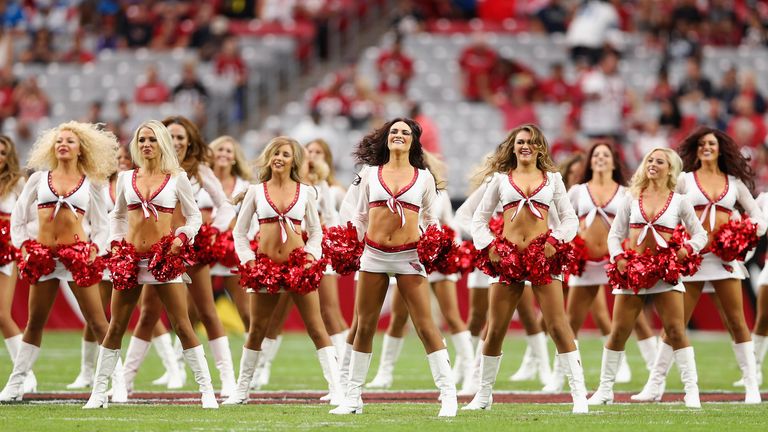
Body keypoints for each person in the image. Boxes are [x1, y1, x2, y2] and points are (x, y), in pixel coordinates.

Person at [83, 120, 218, 409]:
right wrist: (117, 242)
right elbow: (117, 216)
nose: (146, 144)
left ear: (162, 144)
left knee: (182, 325)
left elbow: (193, 217)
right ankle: (98, 393)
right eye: (142, 139)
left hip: (164, 260)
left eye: (153, 140)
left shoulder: (177, 178)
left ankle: (206, 391)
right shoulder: (125, 178)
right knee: (116, 326)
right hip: (131, 260)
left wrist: (182, 237)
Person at [332, 118, 457, 417]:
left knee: (426, 325)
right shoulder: (370, 173)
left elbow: (430, 218)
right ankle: (353, 397)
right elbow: (352, 212)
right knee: (364, 325)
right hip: (374, 255)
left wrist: (433, 242)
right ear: (386, 138)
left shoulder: (424, 177)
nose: (398, 135)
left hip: (409, 255)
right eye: (393, 131)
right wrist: (352, 242)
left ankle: (448, 395)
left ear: (413, 141)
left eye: (404, 132)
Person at [633, 128, 766, 404]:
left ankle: (751, 386)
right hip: (691, 259)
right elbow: (665, 205)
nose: (707, 147)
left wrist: (747, 233)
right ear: (696, 149)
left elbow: (757, 215)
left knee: (737, 322)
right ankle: (654, 385)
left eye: (712, 144)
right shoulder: (684, 180)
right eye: (702, 144)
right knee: (674, 324)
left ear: (721, 149)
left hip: (723, 259)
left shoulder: (734, 182)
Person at [464, 124, 587, 414]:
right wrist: (489, 245)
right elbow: (478, 219)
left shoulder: (553, 179)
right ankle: (483, 396)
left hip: (542, 257)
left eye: (531, 142)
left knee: (558, 325)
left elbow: (570, 220)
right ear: (513, 146)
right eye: (520, 142)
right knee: (495, 329)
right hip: (508, 258)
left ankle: (579, 395)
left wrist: (555, 241)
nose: (525, 146)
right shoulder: (500, 179)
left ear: (540, 147)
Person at [0, 122, 118, 402]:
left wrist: (95, 250)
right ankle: (16, 385)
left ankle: (116, 382)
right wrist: (24, 248)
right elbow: (18, 218)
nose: (63, 144)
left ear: (81, 149)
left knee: (99, 322)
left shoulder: (92, 183)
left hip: (76, 258)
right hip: (44, 258)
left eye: (70, 141)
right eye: (59, 141)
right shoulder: (38, 179)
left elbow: (103, 226)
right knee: (34, 323)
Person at [121, 116, 237, 397]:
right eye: (170, 137)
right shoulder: (148, 171)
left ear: (190, 142)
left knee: (206, 312)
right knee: (148, 314)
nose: (175, 142)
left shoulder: (198, 171)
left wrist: (210, 233)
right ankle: (125, 381)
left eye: (180, 138)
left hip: (189, 250)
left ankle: (227, 381)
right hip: (157, 253)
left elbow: (225, 207)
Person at [222, 136, 342, 406]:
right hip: (266, 268)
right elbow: (240, 233)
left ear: (294, 161)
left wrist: (311, 257)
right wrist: (249, 262)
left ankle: (337, 389)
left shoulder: (306, 192)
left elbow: (315, 232)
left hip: (298, 267)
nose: (279, 158)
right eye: (275, 153)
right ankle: (242, 390)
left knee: (316, 327)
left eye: (285, 154)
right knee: (257, 329)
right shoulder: (256, 191)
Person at [588, 147, 707, 409]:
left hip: (666, 272)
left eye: (659, 161)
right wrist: (618, 256)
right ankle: (605, 389)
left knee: (675, 330)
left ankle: (691, 390)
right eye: (650, 160)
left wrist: (686, 250)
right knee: (619, 331)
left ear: (670, 169)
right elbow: (614, 234)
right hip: (633, 271)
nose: (653, 164)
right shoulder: (632, 198)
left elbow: (701, 235)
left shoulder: (679, 201)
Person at [365, 152, 474, 391]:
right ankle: (385, 372)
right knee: (398, 318)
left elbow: (448, 223)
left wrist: (442, 250)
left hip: (434, 259)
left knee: (451, 317)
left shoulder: (436, 190)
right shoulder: (396, 184)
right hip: (409, 257)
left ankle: (469, 373)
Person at [565, 142, 659, 382]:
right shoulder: (577, 191)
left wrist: (628, 252)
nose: (600, 158)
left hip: (615, 262)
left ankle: (655, 369)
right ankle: (561, 374)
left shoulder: (626, 193)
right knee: (571, 321)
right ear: (590, 161)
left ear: (614, 162)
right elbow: (562, 220)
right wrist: (575, 238)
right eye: (596, 155)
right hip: (585, 262)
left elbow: (634, 225)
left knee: (635, 318)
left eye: (606, 155)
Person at [66, 143, 133, 390]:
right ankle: (87, 372)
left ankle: (123, 377)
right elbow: (92, 220)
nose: (121, 161)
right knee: (96, 316)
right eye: (116, 157)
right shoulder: (98, 184)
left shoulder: (134, 182)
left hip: (130, 256)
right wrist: (95, 247)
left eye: (125, 157)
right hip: (104, 255)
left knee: (143, 315)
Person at [0, 135, 36, 395]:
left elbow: (30, 218)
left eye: (2, 153)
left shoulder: (18, 183)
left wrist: (22, 245)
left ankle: (26, 375)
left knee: (2, 315)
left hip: (6, 251)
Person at [208, 136, 253, 332]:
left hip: (233, 253)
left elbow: (250, 220)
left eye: (228, 151)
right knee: (193, 310)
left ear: (235, 158)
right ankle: (177, 357)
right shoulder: (199, 181)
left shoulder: (245, 186)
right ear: (212, 154)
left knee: (245, 310)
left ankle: (256, 357)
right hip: (204, 252)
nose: (224, 154)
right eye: (220, 149)